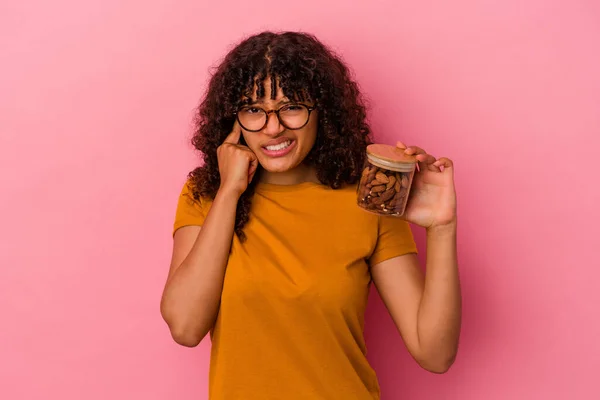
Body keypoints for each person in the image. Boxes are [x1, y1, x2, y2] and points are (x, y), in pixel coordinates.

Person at [160, 31, 461, 400]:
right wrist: (230, 191)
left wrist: (442, 228)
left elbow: (434, 353)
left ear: (323, 113)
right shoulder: (205, 194)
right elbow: (185, 327)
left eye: (292, 107)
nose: (273, 127)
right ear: (233, 119)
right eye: (254, 110)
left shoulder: (369, 199)